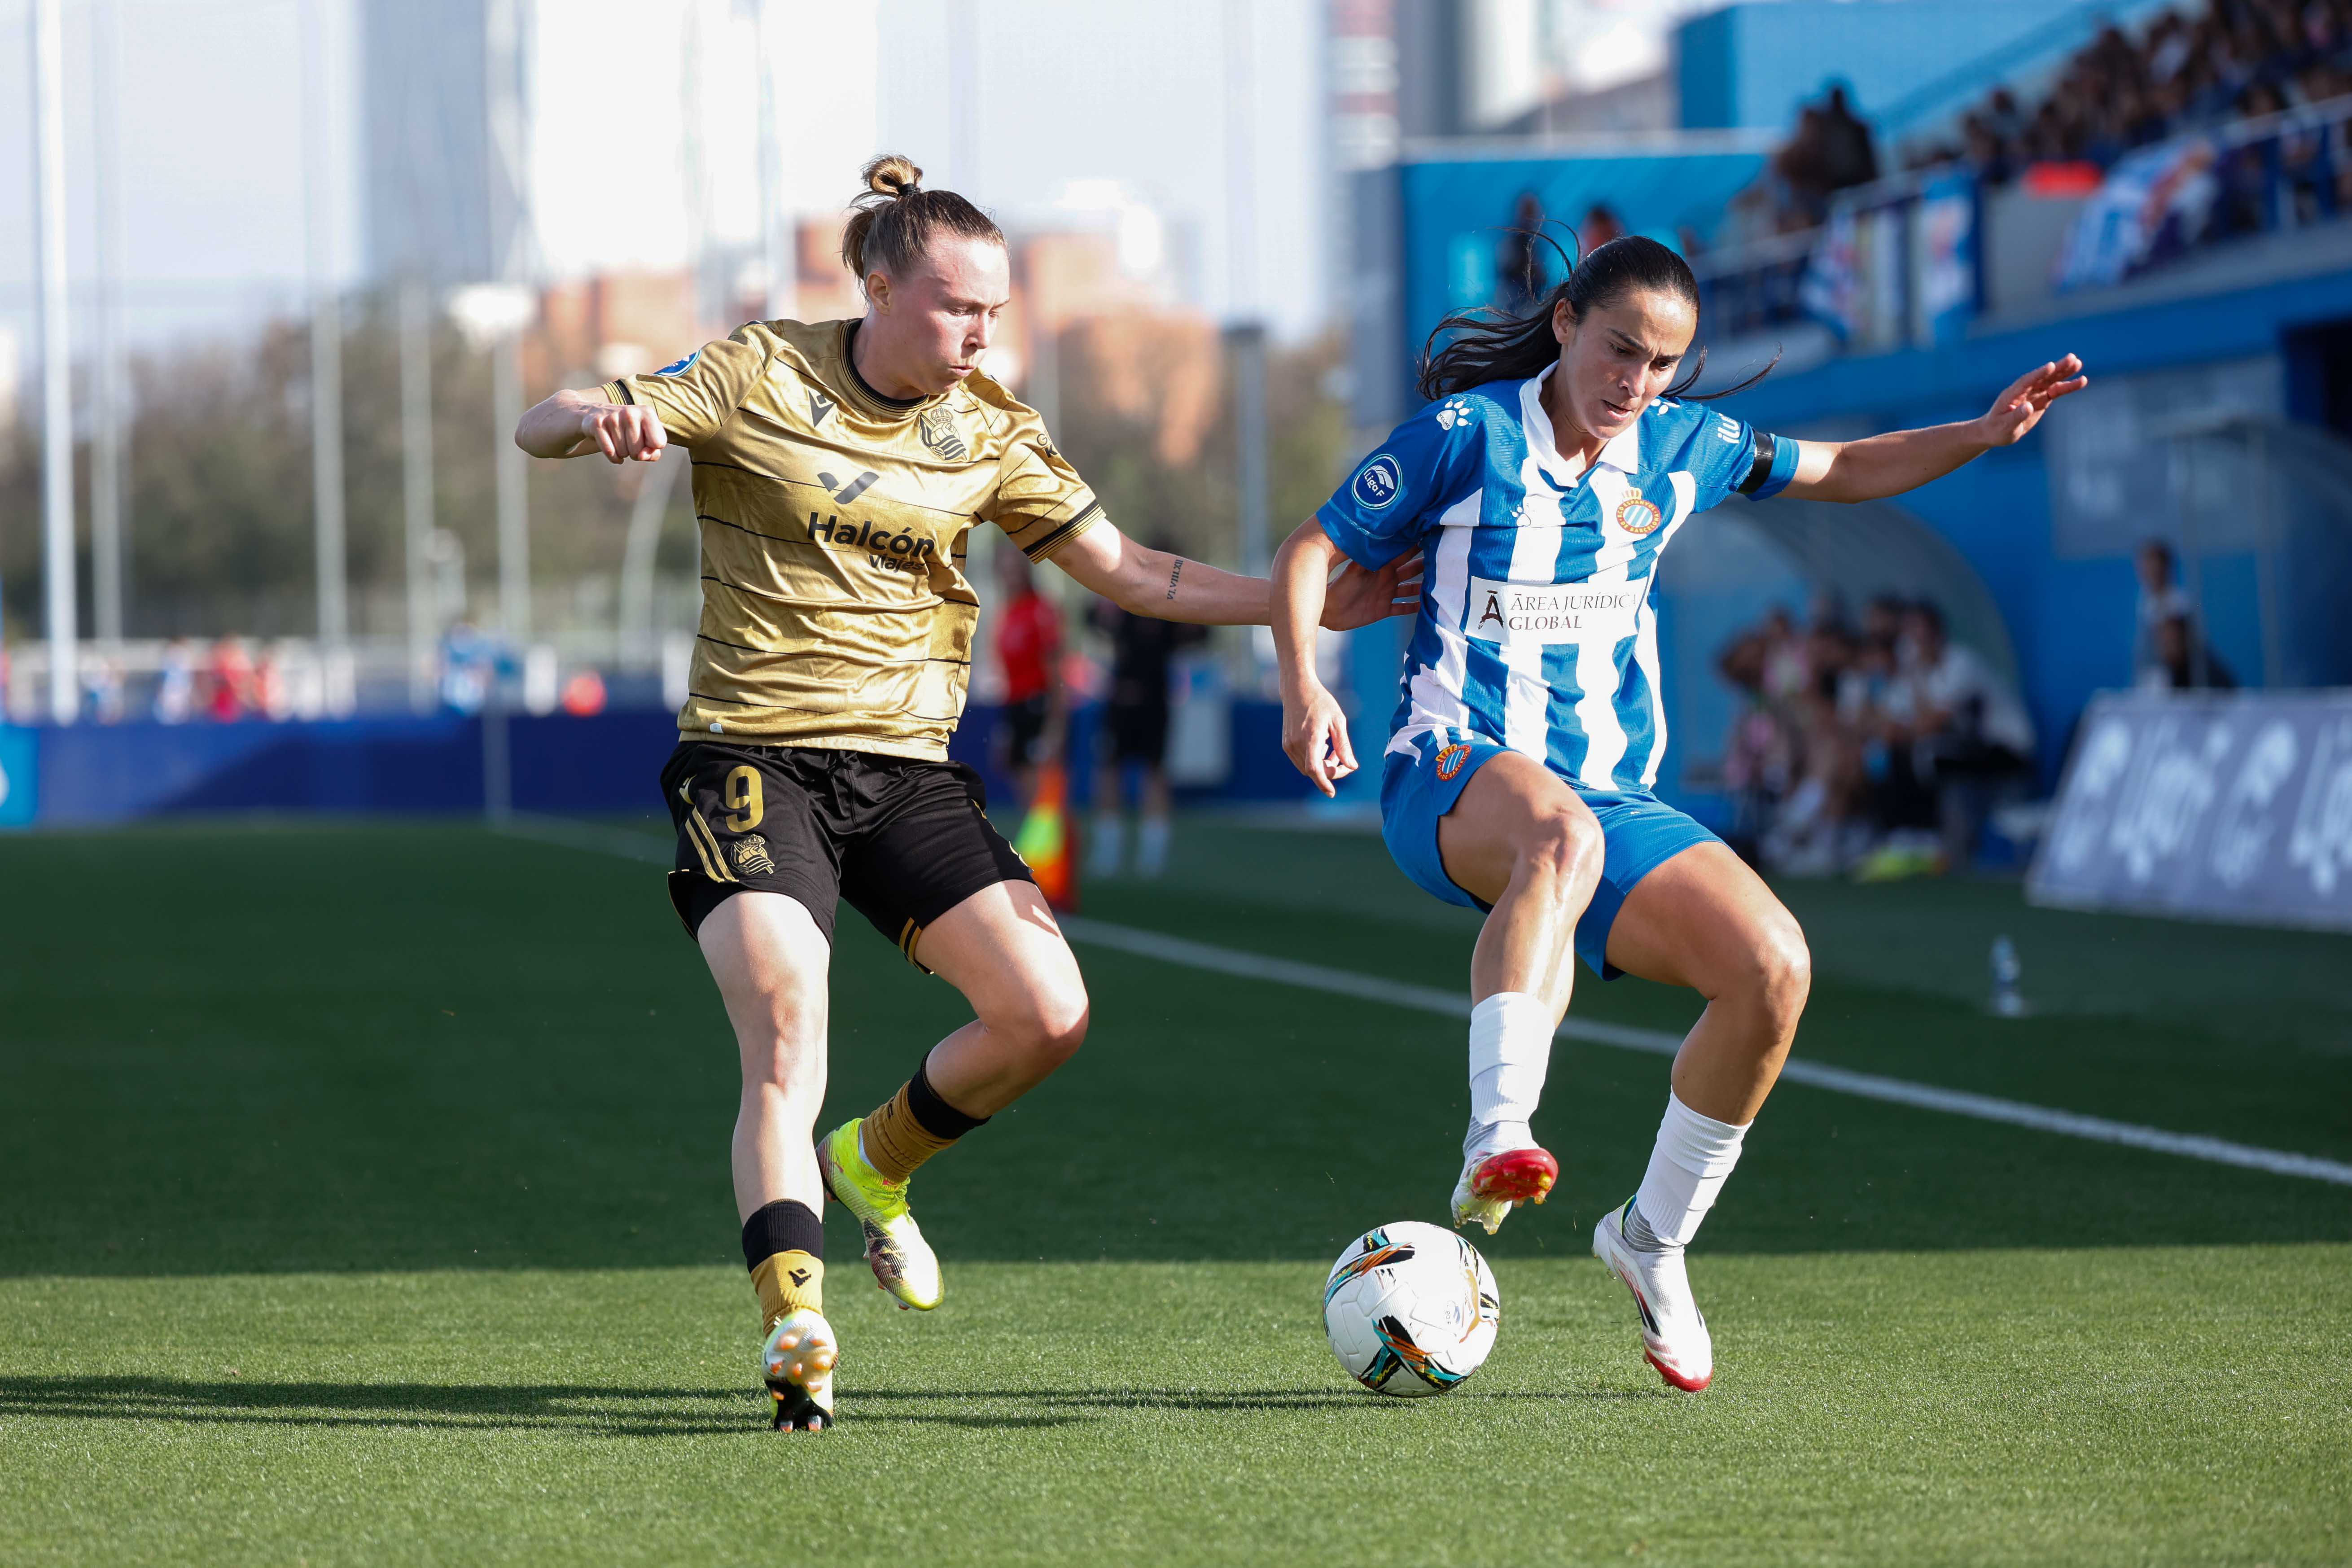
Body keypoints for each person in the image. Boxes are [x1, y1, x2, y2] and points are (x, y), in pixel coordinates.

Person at [514, 155, 1417, 1432]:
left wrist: (1301, 601)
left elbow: (1133, 571)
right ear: (878, 288)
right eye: (955, 307)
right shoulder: (759, 371)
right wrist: (594, 421)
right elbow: (542, 420)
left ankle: (875, 1160)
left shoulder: (989, 428)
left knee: (1048, 1011)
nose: (980, 332)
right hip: (751, 758)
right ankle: (795, 1319)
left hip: (906, 773)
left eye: (994, 310)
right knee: (786, 1021)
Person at [1272, 233, 2084, 1393]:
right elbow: (1310, 549)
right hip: (1448, 769)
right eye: (1619, 350)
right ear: (1565, 322)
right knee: (1556, 834)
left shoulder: (1684, 446)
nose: (1636, 382)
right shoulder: (1464, 437)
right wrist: (1305, 687)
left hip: (1611, 798)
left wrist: (1980, 433)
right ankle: (1498, 1132)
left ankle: (1651, 1238)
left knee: (1772, 967)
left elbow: (1841, 467)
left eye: (1661, 364)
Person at [1088, 548, 1209, 878]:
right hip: (1120, 702)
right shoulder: (1123, 603)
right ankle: (1109, 849)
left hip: (1156, 704)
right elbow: (1091, 618)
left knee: (1155, 773)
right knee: (1110, 771)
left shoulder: (1168, 611)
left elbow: (1202, 633)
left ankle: (1153, 854)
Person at [993, 548, 1063, 811]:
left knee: (1044, 792)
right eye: (1005, 569)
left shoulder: (1040, 610)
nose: (1009, 576)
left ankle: (1057, 838)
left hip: (1039, 706)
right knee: (1021, 782)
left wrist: (1056, 726)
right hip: (1015, 706)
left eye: (1014, 569)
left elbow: (1056, 671)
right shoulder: (1007, 613)